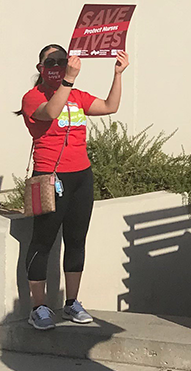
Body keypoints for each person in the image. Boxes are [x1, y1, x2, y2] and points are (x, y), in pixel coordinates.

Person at [17, 44, 129, 330]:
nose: (57, 65)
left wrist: (117, 74)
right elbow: (51, 113)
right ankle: (38, 307)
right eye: (50, 61)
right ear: (40, 68)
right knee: (42, 242)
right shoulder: (33, 98)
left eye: (61, 60)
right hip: (50, 177)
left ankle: (72, 303)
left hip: (81, 176)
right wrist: (68, 79)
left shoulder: (76, 96)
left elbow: (109, 106)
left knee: (76, 240)